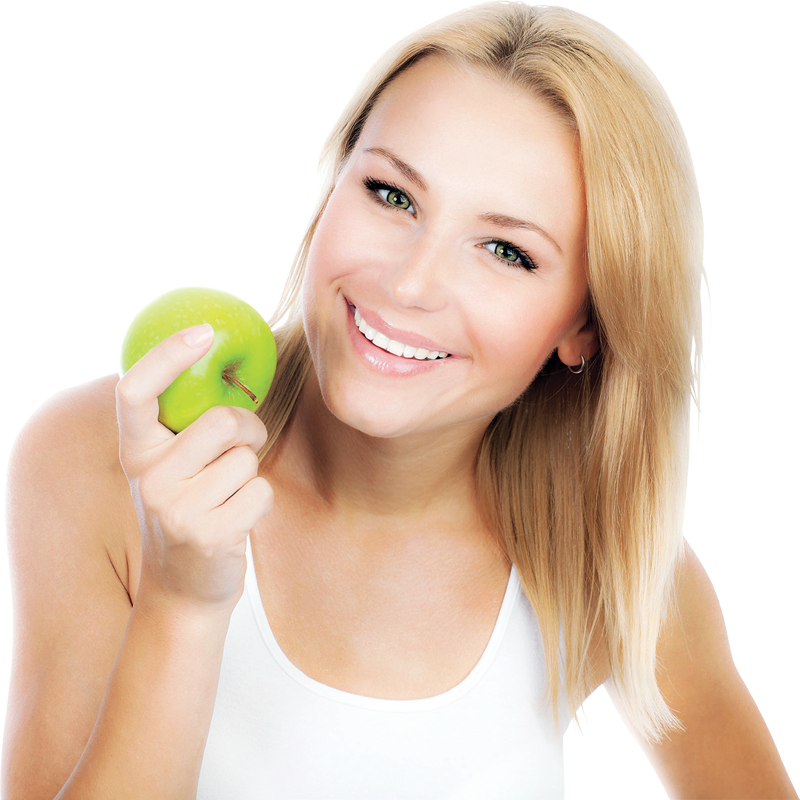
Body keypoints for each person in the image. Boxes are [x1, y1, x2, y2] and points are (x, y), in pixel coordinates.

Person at [1, 2, 797, 798]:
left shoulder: (610, 564)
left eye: (506, 251)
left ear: (585, 325)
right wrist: (182, 599)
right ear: (335, 182)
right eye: (392, 195)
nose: (410, 284)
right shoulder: (97, 459)